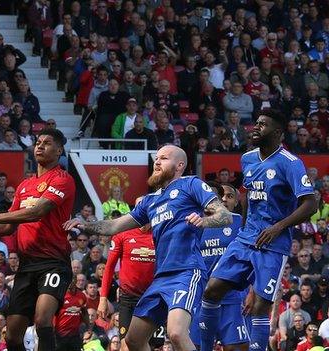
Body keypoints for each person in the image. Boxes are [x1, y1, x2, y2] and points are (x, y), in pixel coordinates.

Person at [63, 144, 233, 351]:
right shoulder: (150, 201)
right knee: (133, 340)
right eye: (156, 158)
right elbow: (114, 226)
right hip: (159, 278)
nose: (157, 162)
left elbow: (224, 216)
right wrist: (85, 225)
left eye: (164, 158)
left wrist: (203, 221)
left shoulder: (191, 184)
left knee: (176, 333)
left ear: (180, 165)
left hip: (186, 271)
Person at [199, 109, 317, 351]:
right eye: (256, 123)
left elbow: (310, 204)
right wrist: (239, 230)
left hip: (273, 245)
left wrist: (279, 227)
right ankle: (205, 346)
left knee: (260, 306)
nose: (256, 127)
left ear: (277, 132)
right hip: (245, 239)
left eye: (262, 125)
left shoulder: (291, 163)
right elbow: (248, 198)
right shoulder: (248, 158)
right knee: (211, 291)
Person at [0, 129, 76, 351]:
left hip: (53, 263)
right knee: (12, 335)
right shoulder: (24, 185)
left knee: (43, 319)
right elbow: (7, 226)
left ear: (59, 150)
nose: (40, 146)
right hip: (26, 266)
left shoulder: (63, 179)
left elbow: (37, 212)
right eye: (38, 142)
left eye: (47, 143)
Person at [189, 182, 248, 351]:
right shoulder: (193, 224)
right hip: (200, 297)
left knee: (236, 348)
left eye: (215, 197)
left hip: (232, 298)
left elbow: (251, 257)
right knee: (196, 347)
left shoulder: (238, 222)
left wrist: (251, 290)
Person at [98, 196, 154, 344]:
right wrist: (103, 298)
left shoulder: (160, 233)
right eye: (138, 207)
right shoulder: (123, 233)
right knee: (125, 343)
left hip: (151, 297)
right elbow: (109, 267)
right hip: (127, 297)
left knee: (146, 342)